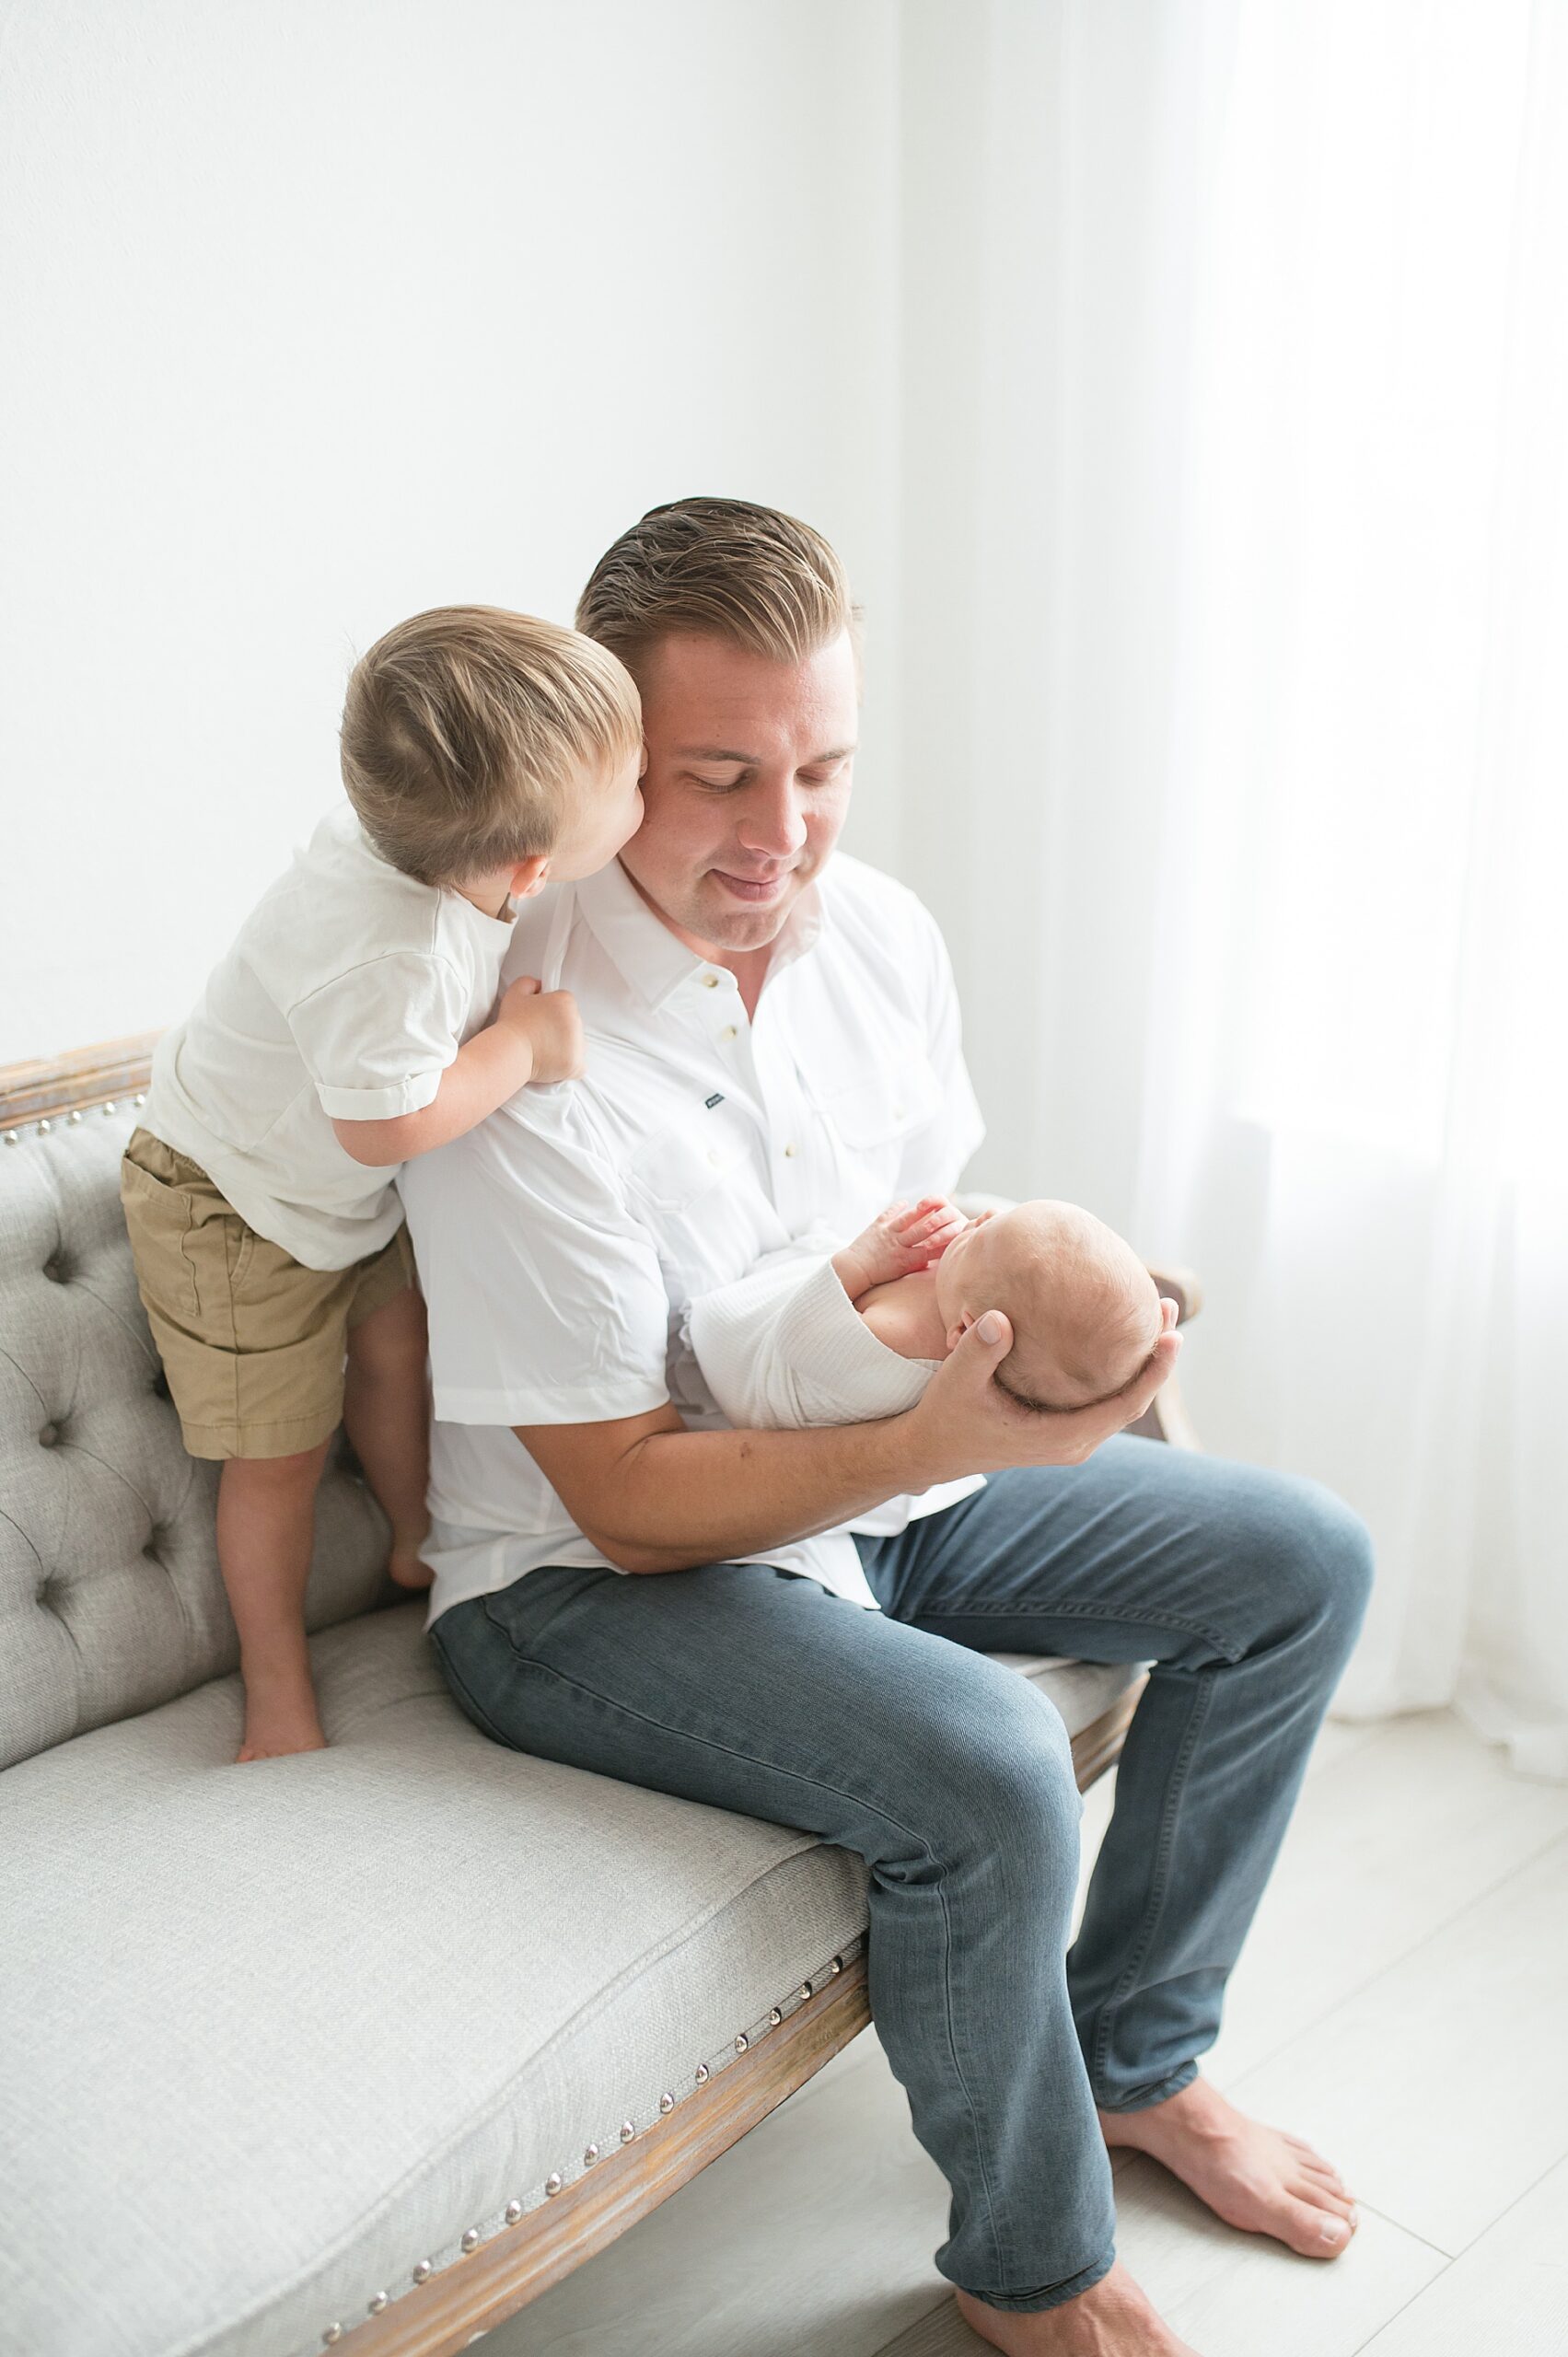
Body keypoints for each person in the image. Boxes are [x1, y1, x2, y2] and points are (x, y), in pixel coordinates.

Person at [400, 500, 1374, 2357]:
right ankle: (1032, 2266)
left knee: (1295, 1558)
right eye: (717, 779)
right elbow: (613, 1496)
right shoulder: (519, 1037)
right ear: (611, 758)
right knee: (994, 1768)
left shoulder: (879, 938)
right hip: (582, 1588)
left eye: (822, 769)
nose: (783, 837)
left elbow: (942, 1229)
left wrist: (1095, 1373)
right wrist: (955, 1434)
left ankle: (1132, 2059)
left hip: (885, 1485)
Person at [120, 607, 645, 1762]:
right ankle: (273, 1690)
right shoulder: (388, 952)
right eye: (636, 781)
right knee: (281, 1459)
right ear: (527, 868)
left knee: (399, 1343)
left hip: (323, 1197)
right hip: (232, 1204)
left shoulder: (419, 837)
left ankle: (415, 1537)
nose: (644, 784)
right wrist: (522, 1050)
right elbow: (385, 1125)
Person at [686, 1194, 1171, 1437]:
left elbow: (798, 1338)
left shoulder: (897, 1335)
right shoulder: (972, 1303)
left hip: (737, 1359)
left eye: (980, 1238)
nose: (977, 1219)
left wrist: (860, 1263)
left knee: (814, 1269)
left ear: (966, 1334)